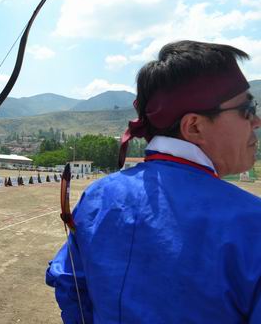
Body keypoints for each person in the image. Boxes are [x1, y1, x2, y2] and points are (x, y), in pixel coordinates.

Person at [46, 41, 261, 323]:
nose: (256, 121)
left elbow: (70, 283)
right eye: (247, 108)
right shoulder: (251, 222)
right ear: (194, 126)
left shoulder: (99, 194)